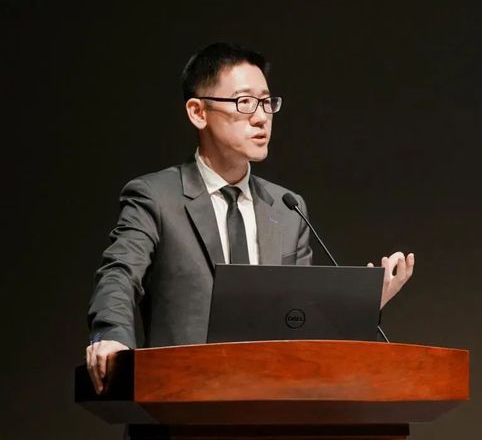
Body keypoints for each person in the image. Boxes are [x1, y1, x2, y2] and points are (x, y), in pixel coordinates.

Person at [85, 43, 414, 395]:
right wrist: (111, 335)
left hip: (272, 406)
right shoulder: (156, 197)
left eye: (267, 102)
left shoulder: (286, 209)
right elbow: (119, 274)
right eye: (244, 102)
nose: (261, 118)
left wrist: (359, 307)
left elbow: (300, 322)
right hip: (181, 402)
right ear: (198, 112)